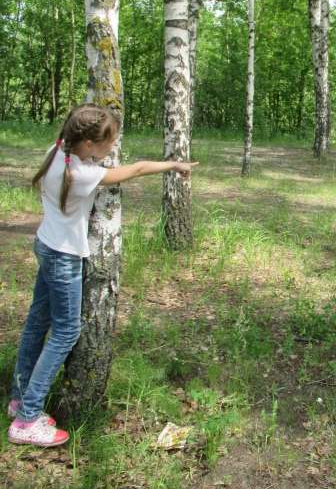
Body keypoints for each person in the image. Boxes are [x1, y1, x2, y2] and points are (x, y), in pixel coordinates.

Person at [8, 103, 198, 447]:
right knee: (65, 332)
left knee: (37, 324)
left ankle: (19, 399)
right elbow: (137, 169)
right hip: (64, 257)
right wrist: (174, 164)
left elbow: (92, 143)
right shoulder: (83, 175)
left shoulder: (57, 152)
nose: (113, 148)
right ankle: (27, 418)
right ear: (89, 145)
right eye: (109, 141)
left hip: (46, 244)